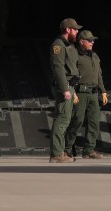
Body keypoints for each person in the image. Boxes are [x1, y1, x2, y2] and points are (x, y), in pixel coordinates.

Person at [70, 29, 109, 158]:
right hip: (80, 92)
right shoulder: (74, 55)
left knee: (94, 122)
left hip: (93, 93)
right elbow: (70, 74)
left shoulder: (95, 56)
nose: (92, 42)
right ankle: (67, 148)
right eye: (89, 40)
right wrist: (72, 92)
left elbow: (99, 75)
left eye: (93, 40)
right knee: (77, 120)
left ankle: (88, 150)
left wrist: (103, 91)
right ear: (81, 42)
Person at [48, 18, 82, 163]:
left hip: (70, 86)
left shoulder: (68, 45)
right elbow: (58, 68)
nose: (77, 32)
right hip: (65, 86)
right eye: (75, 29)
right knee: (61, 119)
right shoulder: (59, 45)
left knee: (66, 119)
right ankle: (56, 154)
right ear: (68, 30)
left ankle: (60, 152)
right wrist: (64, 89)